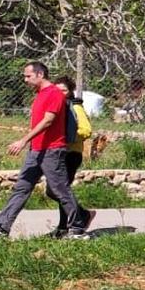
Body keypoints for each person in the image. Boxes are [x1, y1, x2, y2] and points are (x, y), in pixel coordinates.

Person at [0, 62, 87, 240]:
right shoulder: (40, 94)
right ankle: (1, 229)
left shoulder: (53, 93)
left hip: (52, 151)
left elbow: (48, 121)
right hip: (36, 150)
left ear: (40, 74)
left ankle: (77, 228)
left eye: (28, 76)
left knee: (60, 189)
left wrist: (23, 140)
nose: (25, 80)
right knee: (21, 188)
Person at [49, 75, 97, 239]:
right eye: (57, 90)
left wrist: (66, 135)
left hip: (71, 154)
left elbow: (86, 130)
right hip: (57, 153)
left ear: (70, 92)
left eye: (64, 90)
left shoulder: (75, 108)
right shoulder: (57, 108)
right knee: (54, 191)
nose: (60, 93)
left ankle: (66, 226)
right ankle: (80, 216)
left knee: (60, 191)